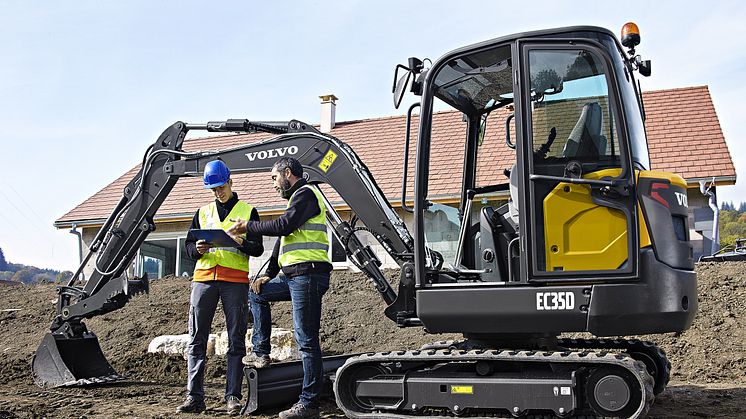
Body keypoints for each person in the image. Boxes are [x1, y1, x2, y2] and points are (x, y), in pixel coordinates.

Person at [228, 157, 331, 419]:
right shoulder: (296, 200)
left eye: (274, 178)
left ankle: (309, 403)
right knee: (257, 292)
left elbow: (282, 226)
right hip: (295, 275)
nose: (274, 185)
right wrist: (268, 274)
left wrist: (248, 226)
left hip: (308, 275)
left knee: (306, 341)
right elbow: (284, 240)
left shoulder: (307, 194)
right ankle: (261, 353)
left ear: (287, 173)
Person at [176, 160, 264, 415]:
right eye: (213, 189)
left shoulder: (248, 211)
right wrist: (197, 249)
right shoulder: (202, 213)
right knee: (196, 340)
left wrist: (239, 243)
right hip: (203, 279)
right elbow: (189, 248)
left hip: (234, 282)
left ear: (231, 182)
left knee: (236, 340)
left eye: (221, 187)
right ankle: (194, 397)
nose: (217, 192)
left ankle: (233, 397)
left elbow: (257, 248)